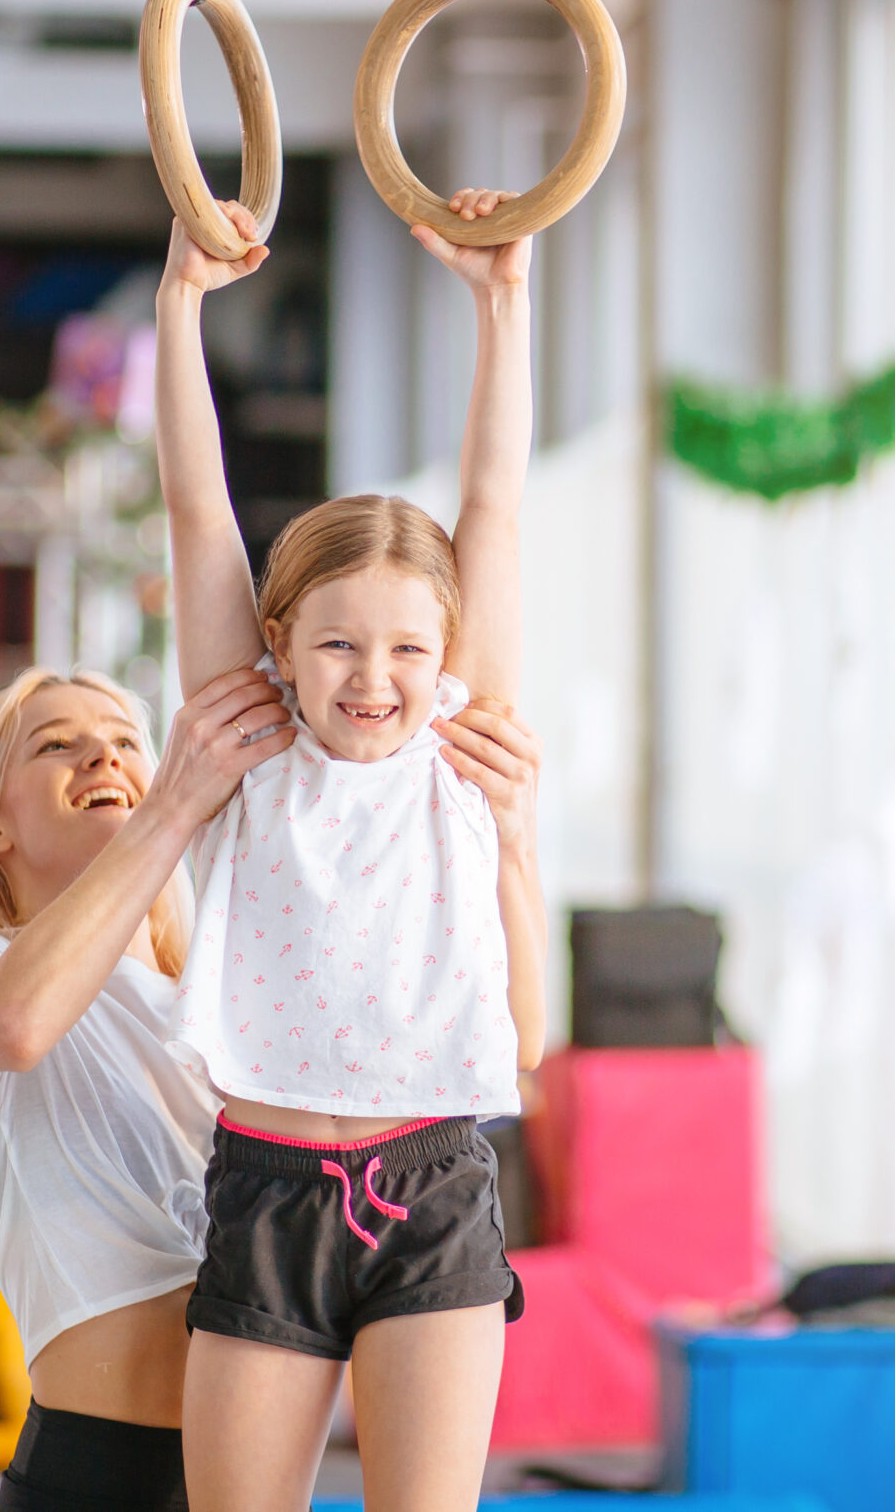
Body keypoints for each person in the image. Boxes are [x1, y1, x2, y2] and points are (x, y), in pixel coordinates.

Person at [0, 659, 541, 1512]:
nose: (104, 758)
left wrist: (510, 837)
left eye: (127, 742)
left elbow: (495, 1026)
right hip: (98, 1478)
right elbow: (14, 1025)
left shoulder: (220, 1009)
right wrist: (169, 805)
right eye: (59, 746)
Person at [156, 193, 548, 1512]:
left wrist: (504, 300)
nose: (373, 677)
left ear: (444, 660)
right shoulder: (253, 739)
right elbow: (200, 513)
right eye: (336, 643)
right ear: (277, 642)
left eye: (405, 649)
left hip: (430, 1181)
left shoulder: (455, 742)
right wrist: (180, 305)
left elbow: (494, 501)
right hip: (266, 1187)